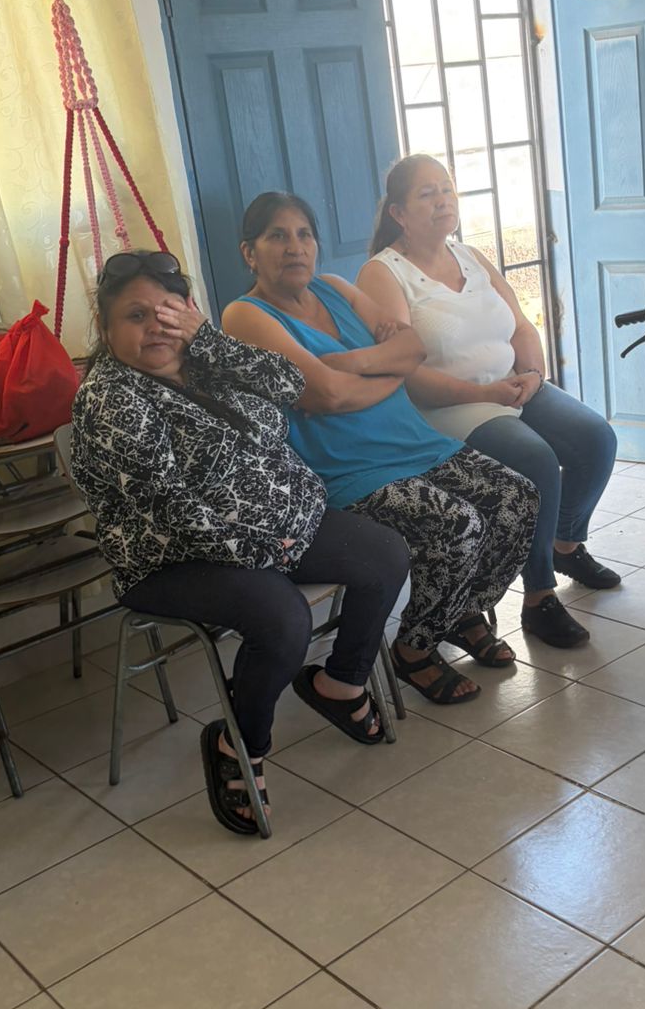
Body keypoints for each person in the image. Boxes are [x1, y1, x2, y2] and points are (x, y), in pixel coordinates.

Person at [71, 250, 411, 835]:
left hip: (276, 525)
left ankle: (340, 683)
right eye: (135, 316)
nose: (156, 325)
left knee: (385, 555)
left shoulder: (206, 361)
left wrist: (209, 341)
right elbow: (170, 508)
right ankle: (239, 743)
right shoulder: (111, 398)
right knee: (280, 619)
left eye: (168, 309)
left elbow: (287, 382)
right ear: (106, 331)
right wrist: (264, 549)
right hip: (172, 556)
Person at [221, 194, 539, 706]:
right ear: (249, 252)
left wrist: (349, 364)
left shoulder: (337, 290)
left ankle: (458, 613)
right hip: (349, 470)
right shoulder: (245, 315)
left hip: (415, 442)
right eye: (276, 236)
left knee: (518, 497)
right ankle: (413, 648)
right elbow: (325, 395)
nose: (294, 247)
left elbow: (413, 349)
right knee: (458, 525)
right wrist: (382, 372)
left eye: (304, 234)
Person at [357, 155, 619, 649]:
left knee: (595, 438)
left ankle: (565, 541)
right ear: (398, 212)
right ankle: (539, 595)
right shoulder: (383, 274)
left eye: (448, 190)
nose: (443, 201)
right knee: (537, 460)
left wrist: (533, 374)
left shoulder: (472, 256)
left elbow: (520, 324)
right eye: (427, 194)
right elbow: (406, 373)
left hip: (510, 386)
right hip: (447, 407)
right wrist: (485, 393)